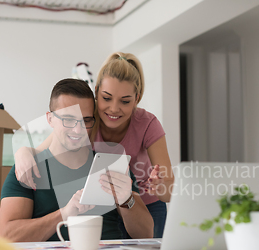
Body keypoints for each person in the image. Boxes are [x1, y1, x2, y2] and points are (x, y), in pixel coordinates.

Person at [15, 52, 173, 238]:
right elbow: (42, 150)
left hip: (146, 206)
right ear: (96, 91)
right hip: (107, 206)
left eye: (125, 101)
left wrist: (160, 187)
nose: (114, 109)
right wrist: (22, 152)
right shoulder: (86, 119)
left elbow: (169, 191)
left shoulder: (147, 124)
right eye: (106, 98)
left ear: (136, 98)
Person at [0, 78, 153, 242]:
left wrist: (127, 200)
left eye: (86, 120)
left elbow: (146, 234)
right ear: (50, 119)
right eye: (69, 119)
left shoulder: (111, 166)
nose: (78, 130)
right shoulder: (28, 168)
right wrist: (64, 214)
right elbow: (8, 237)